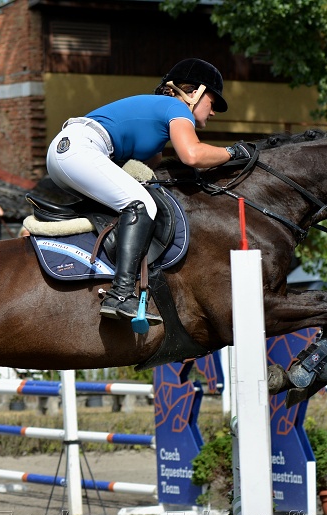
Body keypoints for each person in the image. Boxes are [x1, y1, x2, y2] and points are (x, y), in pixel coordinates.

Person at [45, 58, 252, 326]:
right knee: (141, 204)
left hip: (67, 152)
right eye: (213, 103)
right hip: (79, 149)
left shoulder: (158, 122)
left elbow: (154, 171)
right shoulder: (176, 109)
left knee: (136, 199)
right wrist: (232, 152)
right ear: (194, 93)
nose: (213, 113)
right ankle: (120, 294)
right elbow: (192, 154)